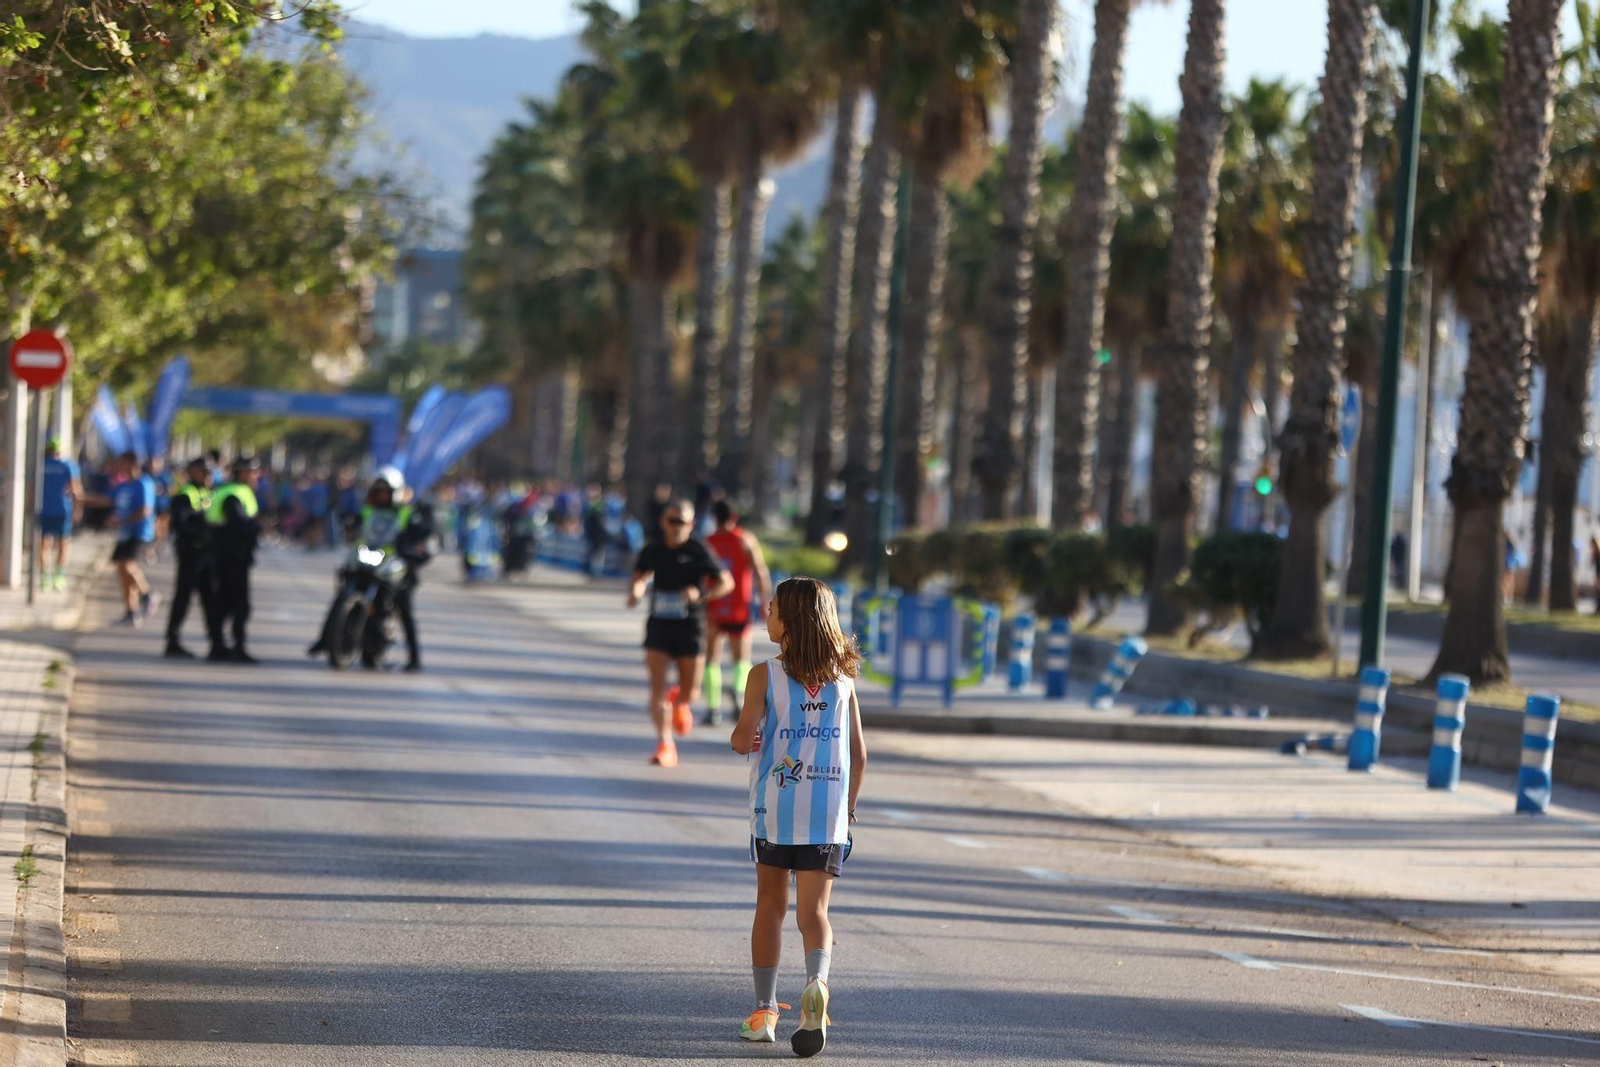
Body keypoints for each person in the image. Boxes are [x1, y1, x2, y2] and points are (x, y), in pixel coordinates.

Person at [730, 577, 867, 1057]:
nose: (766, 617)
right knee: (815, 913)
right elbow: (859, 755)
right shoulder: (844, 681)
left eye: (771, 610)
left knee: (770, 906)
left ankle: (764, 1012)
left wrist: (748, 736)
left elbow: (741, 738)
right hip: (826, 814)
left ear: (788, 622)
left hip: (775, 810)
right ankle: (817, 984)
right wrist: (847, 811)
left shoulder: (763, 675)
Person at [627, 500, 733, 767]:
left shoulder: (698, 550)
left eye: (682, 522)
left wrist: (702, 595)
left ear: (691, 524)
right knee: (657, 689)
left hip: (691, 626)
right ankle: (665, 744)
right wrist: (636, 592)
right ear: (663, 522)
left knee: (691, 693)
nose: (676, 527)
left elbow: (726, 582)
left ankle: (680, 700)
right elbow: (639, 578)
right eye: (672, 521)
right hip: (659, 626)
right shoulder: (653, 550)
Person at [309, 467, 430, 670]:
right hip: (368, 560)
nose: (382, 496)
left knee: (404, 610)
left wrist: (414, 547)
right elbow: (357, 524)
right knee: (343, 594)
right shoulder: (369, 511)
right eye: (379, 491)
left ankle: (414, 658)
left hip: (396, 567)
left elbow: (421, 535)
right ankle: (326, 639)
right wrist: (349, 524)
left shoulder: (406, 513)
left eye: (386, 492)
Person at [702, 501, 772, 726]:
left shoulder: (708, 542)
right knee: (741, 659)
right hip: (739, 606)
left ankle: (713, 708)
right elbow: (760, 571)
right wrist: (765, 601)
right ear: (734, 517)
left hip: (714, 606)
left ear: (715, 518)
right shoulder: (745, 540)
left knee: (711, 658)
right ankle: (739, 697)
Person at [165, 458, 224, 660]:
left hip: (207, 555)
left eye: (210, 473)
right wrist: (200, 531)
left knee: (212, 599)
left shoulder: (210, 493)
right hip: (190, 554)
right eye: (205, 472)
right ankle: (172, 640)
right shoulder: (186, 494)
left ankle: (216, 643)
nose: (209, 476)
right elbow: (179, 524)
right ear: (194, 473)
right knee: (183, 597)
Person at [208, 457, 262, 662]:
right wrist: (254, 528)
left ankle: (222, 645)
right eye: (253, 473)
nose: (256, 477)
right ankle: (228, 646)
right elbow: (238, 524)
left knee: (229, 603)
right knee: (235, 604)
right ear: (243, 473)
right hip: (230, 558)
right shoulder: (233, 495)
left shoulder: (238, 491)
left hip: (233, 557)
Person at [108, 451, 158, 626]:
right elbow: (107, 500)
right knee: (122, 572)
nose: (119, 466)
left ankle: (147, 594)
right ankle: (131, 611)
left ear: (131, 464)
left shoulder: (144, 483)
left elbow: (145, 510)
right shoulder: (123, 485)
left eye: (122, 462)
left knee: (127, 565)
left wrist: (123, 521)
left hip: (139, 532)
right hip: (124, 533)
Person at [36, 438, 81, 592]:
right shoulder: (68, 465)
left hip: (43, 509)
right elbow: (75, 490)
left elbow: (32, 488)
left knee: (44, 544)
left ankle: (44, 578)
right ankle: (59, 577)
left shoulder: (40, 465)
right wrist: (78, 509)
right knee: (64, 543)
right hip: (63, 509)